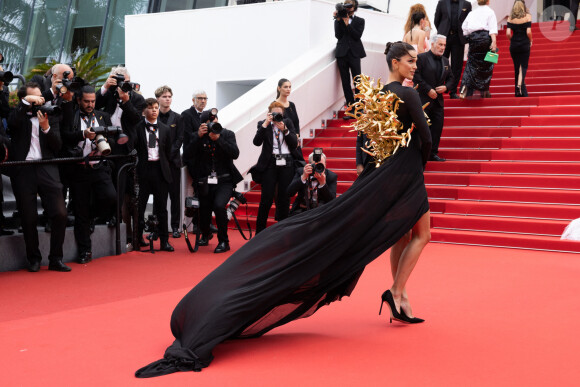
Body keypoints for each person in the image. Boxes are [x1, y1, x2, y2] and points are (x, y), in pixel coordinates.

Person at [135, 41, 431, 378]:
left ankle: (399, 292)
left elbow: (365, 139)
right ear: (395, 62)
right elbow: (427, 136)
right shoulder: (408, 95)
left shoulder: (376, 96)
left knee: (402, 232)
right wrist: (417, 162)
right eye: (410, 61)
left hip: (385, 169)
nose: (415, 66)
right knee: (420, 234)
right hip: (407, 171)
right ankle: (396, 293)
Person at [7, 82, 70, 272]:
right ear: (24, 99)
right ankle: (33, 258)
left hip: (47, 167)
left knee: (60, 213)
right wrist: (27, 103)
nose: (38, 102)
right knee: (28, 217)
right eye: (32, 98)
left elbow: (57, 145)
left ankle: (56, 258)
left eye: (39, 97)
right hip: (24, 169)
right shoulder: (17, 114)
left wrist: (46, 128)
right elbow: (12, 123)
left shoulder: (51, 114)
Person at [60, 85, 117, 264]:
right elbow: (64, 137)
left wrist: (107, 140)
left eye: (93, 101)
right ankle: (85, 251)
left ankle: (94, 216)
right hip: (78, 169)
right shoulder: (72, 116)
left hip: (99, 166)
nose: (90, 104)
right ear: (79, 100)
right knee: (81, 212)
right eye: (87, 101)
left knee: (111, 198)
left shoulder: (103, 116)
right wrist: (82, 134)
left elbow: (114, 140)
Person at [181, 108, 242, 253]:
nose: (212, 125)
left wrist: (219, 139)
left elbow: (235, 153)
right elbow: (187, 155)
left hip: (225, 180)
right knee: (204, 209)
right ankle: (205, 234)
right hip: (204, 181)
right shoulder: (198, 136)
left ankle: (223, 241)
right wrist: (197, 136)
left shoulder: (227, 134)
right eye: (208, 123)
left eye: (214, 121)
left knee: (219, 206)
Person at [127, 98, 174, 252]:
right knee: (139, 208)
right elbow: (132, 147)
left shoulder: (166, 129)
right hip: (143, 171)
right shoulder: (137, 127)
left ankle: (164, 241)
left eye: (156, 107)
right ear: (144, 111)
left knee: (162, 208)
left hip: (160, 171)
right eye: (151, 108)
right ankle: (138, 239)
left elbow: (168, 153)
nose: (154, 110)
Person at [252, 101, 298, 234]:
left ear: (283, 113)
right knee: (266, 198)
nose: (277, 115)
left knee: (284, 197)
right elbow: (256, 142)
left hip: (287, 162)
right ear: (269, 113)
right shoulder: (263, 124)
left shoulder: (287, 123)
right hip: (270, 163)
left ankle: (282, 232)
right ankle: (259, 232)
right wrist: (266, 124)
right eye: (274, 113)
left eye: (279, 113)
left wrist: (285, 130)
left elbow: (294, 144)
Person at [413, 34, 454, 161]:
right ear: (432, 44)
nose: (442, 48)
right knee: (422, 128)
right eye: (440, 44)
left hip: (438, 102)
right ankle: (418, 154)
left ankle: (432, 153)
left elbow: (451, 78)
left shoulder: (445, 60)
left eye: (444, 45)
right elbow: (416, 77)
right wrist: (428, 89)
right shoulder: (421, 58)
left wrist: (446, 87)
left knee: (437, 128)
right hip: (423, 100)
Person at [155, 85, 183, 238]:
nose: (167, 99)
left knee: (174, 196)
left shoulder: (178, 118)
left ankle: (175, 226)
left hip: (173, 163)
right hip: (157, 163)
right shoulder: (153, 117)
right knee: (160, 196)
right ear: (158, 99)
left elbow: (180, 139)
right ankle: (158, 227)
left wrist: (169, 155)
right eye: (164, 96)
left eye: (169, 96)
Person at [459, 0, 498, 99]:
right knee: (488, 64)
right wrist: (494, 42)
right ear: (488, 1)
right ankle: (485, 90)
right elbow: (493, 29)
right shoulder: (490, 12)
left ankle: (465, 87)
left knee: (471, 63)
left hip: (473, 39)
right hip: (485, 39)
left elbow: (464, 27)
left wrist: (470, 36)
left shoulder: (472, 13)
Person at [434, 0, 472, 99]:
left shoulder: (466, 4)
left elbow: (469, 22)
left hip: (458, 38)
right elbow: (436, 20)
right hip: (444, 37)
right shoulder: (442, 3)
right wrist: (443, 31)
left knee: (457, 66)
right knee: (440, 63)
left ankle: (453, 91)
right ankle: (438, 89)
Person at [334, 0, 366, 112]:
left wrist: (347, 24)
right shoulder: (339, 18)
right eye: (346, 5)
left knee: (357, 80)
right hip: (342, 54)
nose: (347, 7)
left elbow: (357, 36)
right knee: (345, 81)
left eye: (350, 5)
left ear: (355, 7)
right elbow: (338, 36)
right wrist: (339, 21)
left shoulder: (360, 21)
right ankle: (351, 108)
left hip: (354, 53)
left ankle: (360, 107)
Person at [287, 150, 337, 216]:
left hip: (321, 212)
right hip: (302, 210)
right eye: (316, 165)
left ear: (325, 164)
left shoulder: (331, 176)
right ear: (309, 164)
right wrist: (303, 177)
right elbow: (289, 193)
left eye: (321, 165)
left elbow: (332, 201)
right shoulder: (301, 172)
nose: (318, 168)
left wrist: (323, 184)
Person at [506, 0, 532, 97]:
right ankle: (519, 85)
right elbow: (529, 32)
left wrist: (511, 40)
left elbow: (508, 33)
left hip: (514, 45)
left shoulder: (510, 18)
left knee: (517, 67)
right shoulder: (528, 16)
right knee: (523, 66)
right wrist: (531, 40)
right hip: (524, 43)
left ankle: (519, 91)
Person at [402, 11, 427, 88]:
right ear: (422, 20)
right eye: (425, 20)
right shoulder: (422, 33)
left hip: (406, 60)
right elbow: (420, 49)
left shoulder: (408, 33)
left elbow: (402, 48)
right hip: (416, 61)